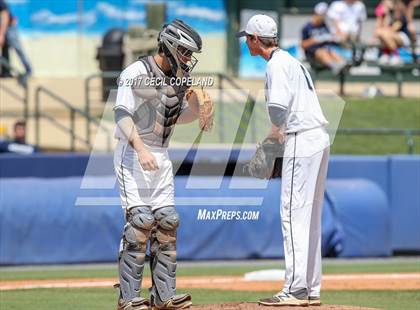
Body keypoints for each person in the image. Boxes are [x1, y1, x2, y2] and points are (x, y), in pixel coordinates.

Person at [237, 14, 330, 307]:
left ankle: (295, 289)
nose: (246, 42)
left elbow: (278, 110)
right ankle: (311, 288)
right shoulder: (292, 61)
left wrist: (271, 139)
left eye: (247, 37)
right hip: (319, 137)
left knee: (292, 214)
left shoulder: (276, 65)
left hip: (301, 139)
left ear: (255, 39)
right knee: (311, 218)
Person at [113, 19, 203, 310]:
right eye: (185, 52)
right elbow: (122, 116)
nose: (188, 59)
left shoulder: (179, 80)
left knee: (167, 222)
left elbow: (178, 117)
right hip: (132, 154)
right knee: (140, 223)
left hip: (161, 155)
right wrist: (140, 149)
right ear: (170, 45)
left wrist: (200, 109)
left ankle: (163, 297)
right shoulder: (136, 73)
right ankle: (128, 298)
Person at [301, 2, 347, 74]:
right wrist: (315, 40)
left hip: (326, 49)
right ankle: (335, 67)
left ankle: (343, 65)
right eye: (323, 15)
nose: (324, 17)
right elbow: (303, 45)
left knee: (332, 52)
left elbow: (330, 37)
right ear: (317, 14)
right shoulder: (307, 27)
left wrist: (333, 37)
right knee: (322, 52)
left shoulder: (324, 25)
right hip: (313, 54)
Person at [0, 0, 32, 83]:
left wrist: (2, 34)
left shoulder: (1, 3)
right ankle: (5, 72)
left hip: (9, 28)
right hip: (2, 28)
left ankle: (28, 70)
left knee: (18, 48)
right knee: (4, 49)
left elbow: (5, 17)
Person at [374, 0, 412, 65]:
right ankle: (387, 55)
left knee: (383, 33)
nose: (384, 3)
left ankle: (395, 55)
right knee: (381, 33)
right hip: (391, 36)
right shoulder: (387, 14)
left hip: (403, 37)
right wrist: (386, 15)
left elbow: (395, 28)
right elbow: (380, 30)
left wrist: (384, 31)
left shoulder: (399, 11)